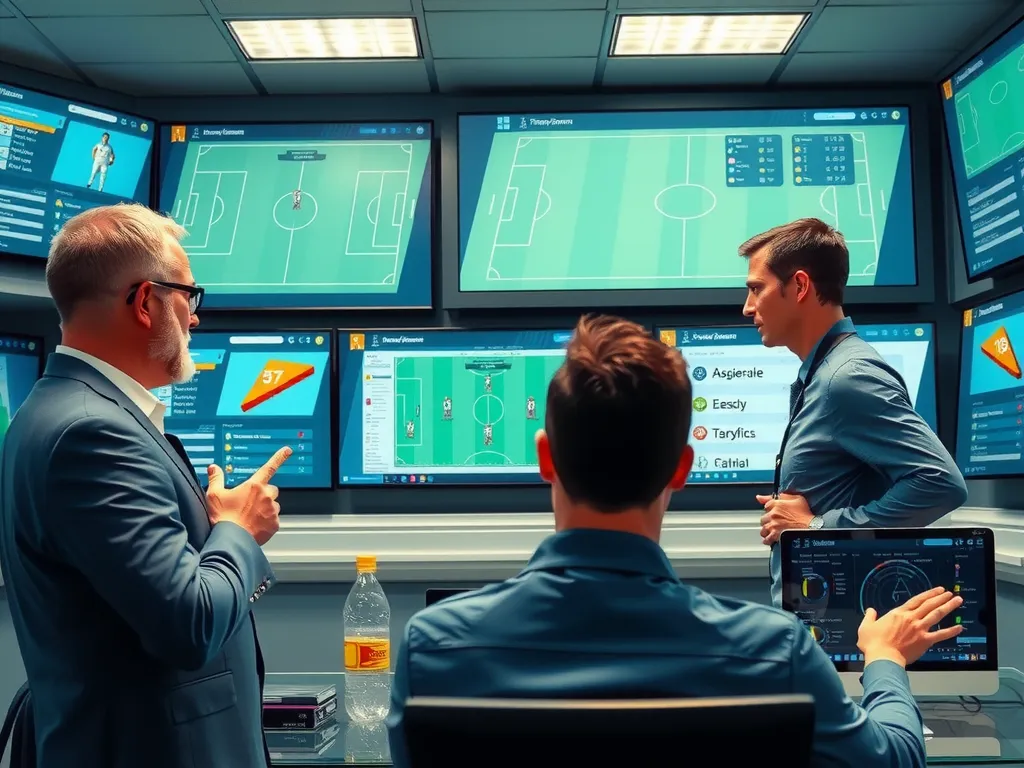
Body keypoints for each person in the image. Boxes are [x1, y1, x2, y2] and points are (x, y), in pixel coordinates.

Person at [385, 314, 961, 768]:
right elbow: (893, 760)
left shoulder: (432, 648)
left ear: (545, 457)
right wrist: (884, 661)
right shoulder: (776, 653)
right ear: (681, 468)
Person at [0, 203, 291, 767]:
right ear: (144, 301)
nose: (196, 318)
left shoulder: (60, 411)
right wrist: (237, 531)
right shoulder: (91, 433)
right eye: (189, 296)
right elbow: (188, 623)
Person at [740, 218, 967, 607]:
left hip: (847, 637)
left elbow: (940, 483)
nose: (747, 308)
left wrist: (815, 526)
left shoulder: (846, 378)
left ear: (799, 286)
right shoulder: (824, 372)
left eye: (756, 289)